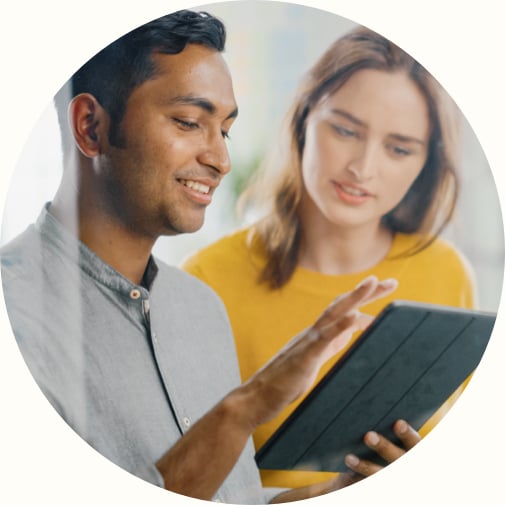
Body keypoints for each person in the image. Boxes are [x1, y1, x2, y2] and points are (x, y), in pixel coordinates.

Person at [1, 10, 420, 504]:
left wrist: (343, 488)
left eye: (224, 129)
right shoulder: (17, 315)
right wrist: (248, 405)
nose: (220, 160)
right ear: (91, 126)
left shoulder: (201, 308)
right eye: (188, 122)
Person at [182, 25, 476, 490]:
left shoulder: (446, 272)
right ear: (303, 121)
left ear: (426, 164)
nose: (363, 167)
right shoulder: (204, 282)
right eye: (344, 129)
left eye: (399, 148)